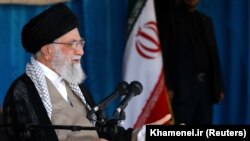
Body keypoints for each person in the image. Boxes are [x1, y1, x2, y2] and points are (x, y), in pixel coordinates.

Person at [2, 3, 170, 141]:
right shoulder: (22, 91)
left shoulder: (75, 86)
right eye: (73, 44)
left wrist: (149, 134)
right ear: (48, 50)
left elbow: (104, 132)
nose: (81, 52)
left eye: (80, 43)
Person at [159, 0, 224, 125]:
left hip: (205, 87)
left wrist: (219, 85)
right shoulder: (170, 20)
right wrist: (169, 85)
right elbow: (164, 56)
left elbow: (213, 55)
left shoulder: (205, 20)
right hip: (182, 88)